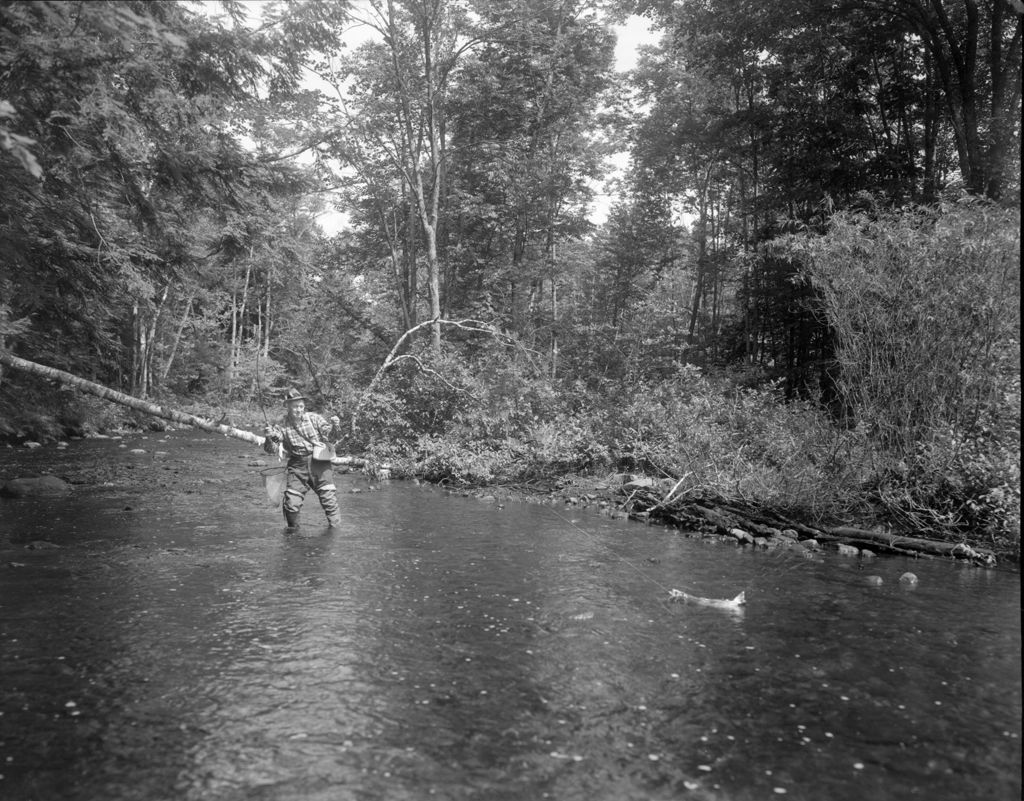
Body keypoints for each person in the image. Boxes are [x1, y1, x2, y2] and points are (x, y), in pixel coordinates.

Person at [262, 388, 343, 529]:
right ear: (287, 406)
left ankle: (335, 533)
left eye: (301, 406)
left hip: (320, 463)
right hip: (297, 465)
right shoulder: (281, 425)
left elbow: (331, 436)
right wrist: (269, 436)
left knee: (329, 499)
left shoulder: (314, 418)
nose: (299, 409)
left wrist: (335, 425)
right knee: (291, 503)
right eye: (295, 406)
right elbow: (271, 449)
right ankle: (293, 536)